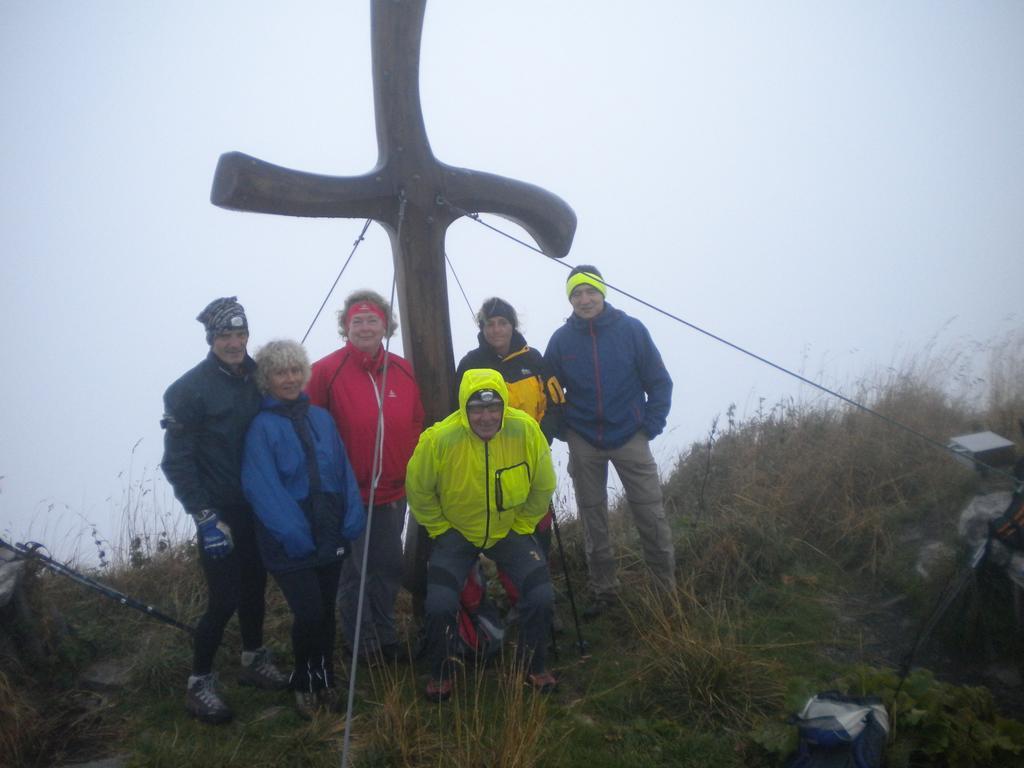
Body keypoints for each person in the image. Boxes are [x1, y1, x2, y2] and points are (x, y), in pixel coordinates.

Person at [161, 297, 288, 725]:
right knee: (223, 598)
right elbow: (176, 461)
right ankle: (199, 682)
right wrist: (204, 516)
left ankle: (254, 659)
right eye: (224, 336)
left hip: (258, 503)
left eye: (239, 334)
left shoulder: (259, 376)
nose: (234, 343)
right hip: (219, 511)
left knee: (256, 586)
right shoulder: (188, 390)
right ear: (211, 339)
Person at [406, 369, 558, 701]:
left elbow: (544, 484)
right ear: (464, 408)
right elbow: (418, 491)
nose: (486, 417)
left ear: (504, 406)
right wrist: (441, 529)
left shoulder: (525, 430)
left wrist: (522, 525)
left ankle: (534, 665)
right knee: (440, 604)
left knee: (542, 595)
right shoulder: (439, 439)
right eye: (476, 409)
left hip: (508, 531)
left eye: (493, 408)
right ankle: (442, 672)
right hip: (457, 534)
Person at [241, 340, 366, 719]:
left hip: (329, 528)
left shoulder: (321, 419)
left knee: (326, 611)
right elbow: (261, 486)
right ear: (267, 378)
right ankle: (305, 682)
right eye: (281, 372)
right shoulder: (261, 427)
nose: (290, 378)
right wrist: (293, 532)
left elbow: (342, 469)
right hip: (288, 539)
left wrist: (352, 515)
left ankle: (323, 675)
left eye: (296, 370)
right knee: (309, 612)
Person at [544, 266, 676, 618]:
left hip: (631, 434)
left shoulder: (631, 330)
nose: (585, 300)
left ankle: (665, 593)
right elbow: (550, 389)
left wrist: (650, 424)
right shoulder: (560, 340)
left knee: (650, 512)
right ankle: (604, 591)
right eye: (577, 294)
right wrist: (563, 429)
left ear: (603, 293)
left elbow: (660, 382)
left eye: (591, 292)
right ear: (570, 299)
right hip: (584, 437)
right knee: (593, 518)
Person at [306, 290, 424, 662]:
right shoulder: (326, 370)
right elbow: (312, 430)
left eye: (372, 319)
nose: (365, 326)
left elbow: (416, 422)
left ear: (385, 325)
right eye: (356, 320)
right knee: (355, 573)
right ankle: (361, 643)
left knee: (388, 566)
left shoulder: (403, 370)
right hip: (349, 495)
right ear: (345, 327)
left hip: (393, 490)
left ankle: (385, 635)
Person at [455, 297, 564, 607]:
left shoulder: (535, 359)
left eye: (503, 322)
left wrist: (541, 438)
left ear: (513, 325)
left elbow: (556, 404)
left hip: (533, 458)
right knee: (505, 530)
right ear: (482, 328)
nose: (497, 329)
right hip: (490, 462)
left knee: (538, 528)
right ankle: (517, 597)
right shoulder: (471, 364)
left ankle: (539, 595)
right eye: (490, 324)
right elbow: (458, 413)